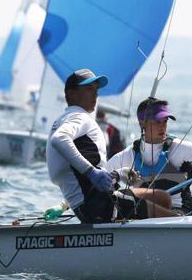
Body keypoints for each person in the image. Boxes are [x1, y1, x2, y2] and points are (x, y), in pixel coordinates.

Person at [46, 69, 179, 224]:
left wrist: (118, 174)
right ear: (71, 94)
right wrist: (91, 172)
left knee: (162, 198)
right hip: (99, 206)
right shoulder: (78, 117)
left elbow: (80, 175)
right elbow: (59, 139)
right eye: (89, 89)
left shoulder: (66, 119)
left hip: (94, 201)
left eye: (96, 90)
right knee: (174, 221)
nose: (95, 95)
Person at [107, 97, 192, 214]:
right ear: (142, 123)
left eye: (165, 121)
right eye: (157, 122)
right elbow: (102, 180)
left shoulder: (180, 148)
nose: (163, 127)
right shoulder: (127, 156)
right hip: (144, 214)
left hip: (179, 215)